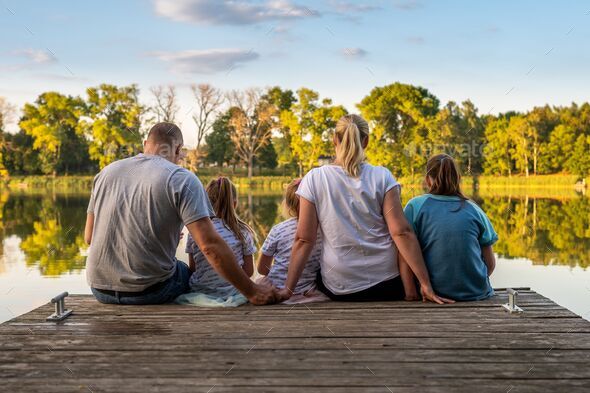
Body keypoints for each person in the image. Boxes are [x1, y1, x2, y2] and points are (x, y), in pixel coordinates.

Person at [84, 122, 278, 305]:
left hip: (100, 290)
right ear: (178, 150)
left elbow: (89, 237)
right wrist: (252, 291)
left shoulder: (105, 173)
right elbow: (209, 246)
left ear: (145, 144)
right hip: (150, 292)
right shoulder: (181, 178)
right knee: (185, 271)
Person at [278, 114, 452, 304]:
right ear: (366, 141)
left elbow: (304, 239)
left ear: (335, 139)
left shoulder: (314, 178)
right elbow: (401, 232)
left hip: (339, 287)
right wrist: (425, 284)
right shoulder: (383, 176)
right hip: (388, 283)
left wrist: (287, 290)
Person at [400, 154, 497, 301]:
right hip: (476, 292)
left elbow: (405, 251)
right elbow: (490, 264)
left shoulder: (415, 206)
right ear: (458, 178)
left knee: (403, 244)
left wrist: (411, 294)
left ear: (427, 179)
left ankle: (411, 293)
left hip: (434, 292)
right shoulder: (474, 209)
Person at [178, 177, 256, 305]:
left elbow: (193, 269)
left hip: (201, 291)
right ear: (234, 204)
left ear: (204, 203)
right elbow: (249, 272)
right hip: (234, 292)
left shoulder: (196, 232)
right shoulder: (243, 232)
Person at [257, 179, 324, 300]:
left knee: (259, 281)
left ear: (288, 204)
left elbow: (262, 268)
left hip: (277, 287)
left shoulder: (278, 230)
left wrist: (281, 272)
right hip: (309, 289)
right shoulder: (324, 230)